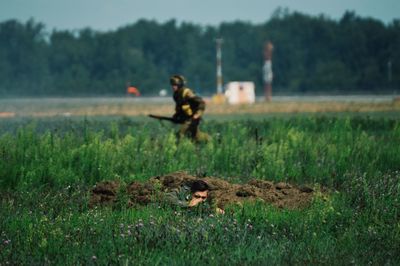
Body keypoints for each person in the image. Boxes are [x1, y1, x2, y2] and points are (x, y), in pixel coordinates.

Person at [169, 75, 210, 142]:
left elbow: (201, 103)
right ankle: (212, 140)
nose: (173, 87)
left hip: (192, 118)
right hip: (186, 118)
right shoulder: (176, 94)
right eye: (172, 85)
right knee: (196, 137)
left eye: (175, 85)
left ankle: (178, 150)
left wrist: (197, 114)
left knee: (180, 135)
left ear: (180, 84)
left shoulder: (187, 92)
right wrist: (176, 116)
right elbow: (179, 107)